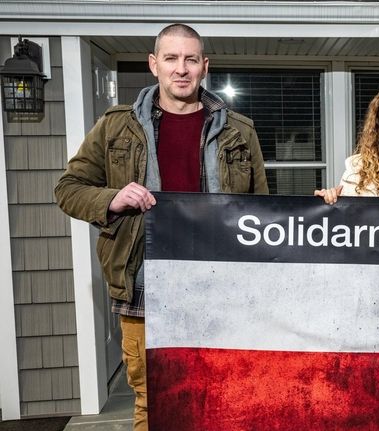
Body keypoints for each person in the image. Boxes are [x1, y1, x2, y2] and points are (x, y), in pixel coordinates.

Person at [55, 23, 268, 430]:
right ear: (155, 64)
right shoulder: (116, 126)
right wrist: (111, 199)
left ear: (205, 66)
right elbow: (68, 188)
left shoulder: (240, 131)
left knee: (222, 395)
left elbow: (259, 211)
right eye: (171, 58)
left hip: (220, 284)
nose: (181, 69)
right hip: (145, 284)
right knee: (153, 402)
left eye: (190, 59)